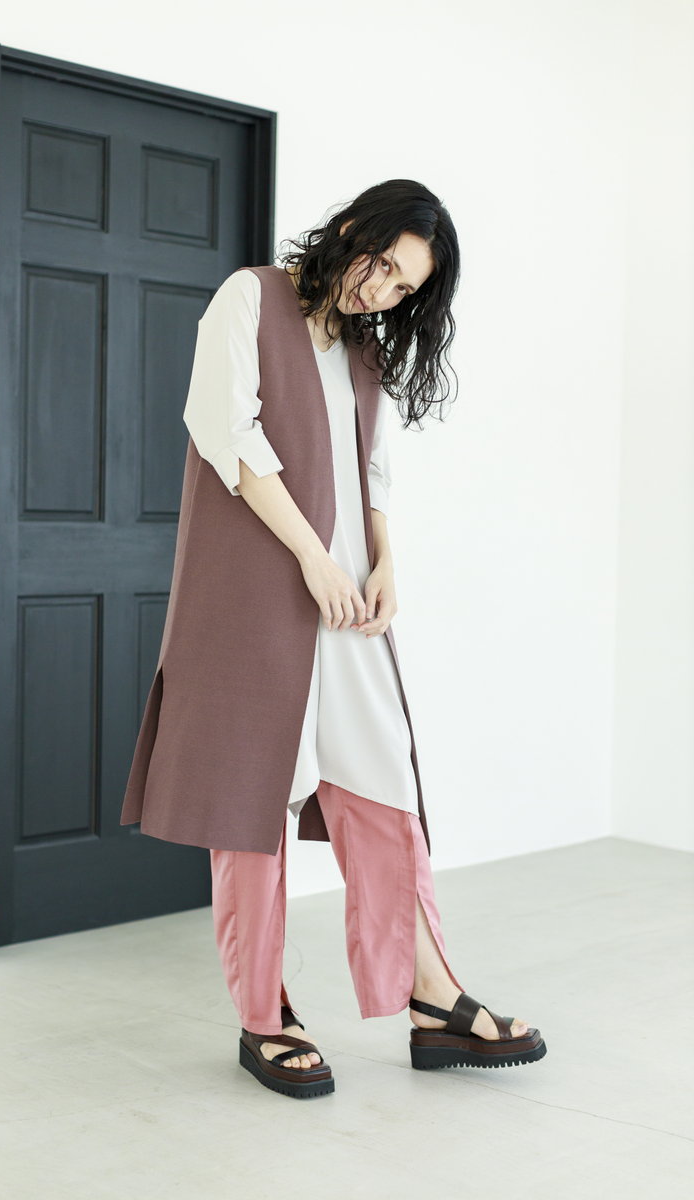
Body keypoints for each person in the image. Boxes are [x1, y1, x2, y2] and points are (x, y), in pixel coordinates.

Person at [120, 179, 546, 1099]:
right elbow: (228, 436)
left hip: (347, 602)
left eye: (403, 287)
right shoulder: (249, 298)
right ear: (351, 229)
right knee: (252, 807)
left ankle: (431, 996)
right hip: (258, 594)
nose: (381, 290)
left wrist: (383, 558)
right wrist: (315, 558)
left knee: (385, 786)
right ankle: (262, 1016)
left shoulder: (362, 350)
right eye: (381, 264)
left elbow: (370, 471)